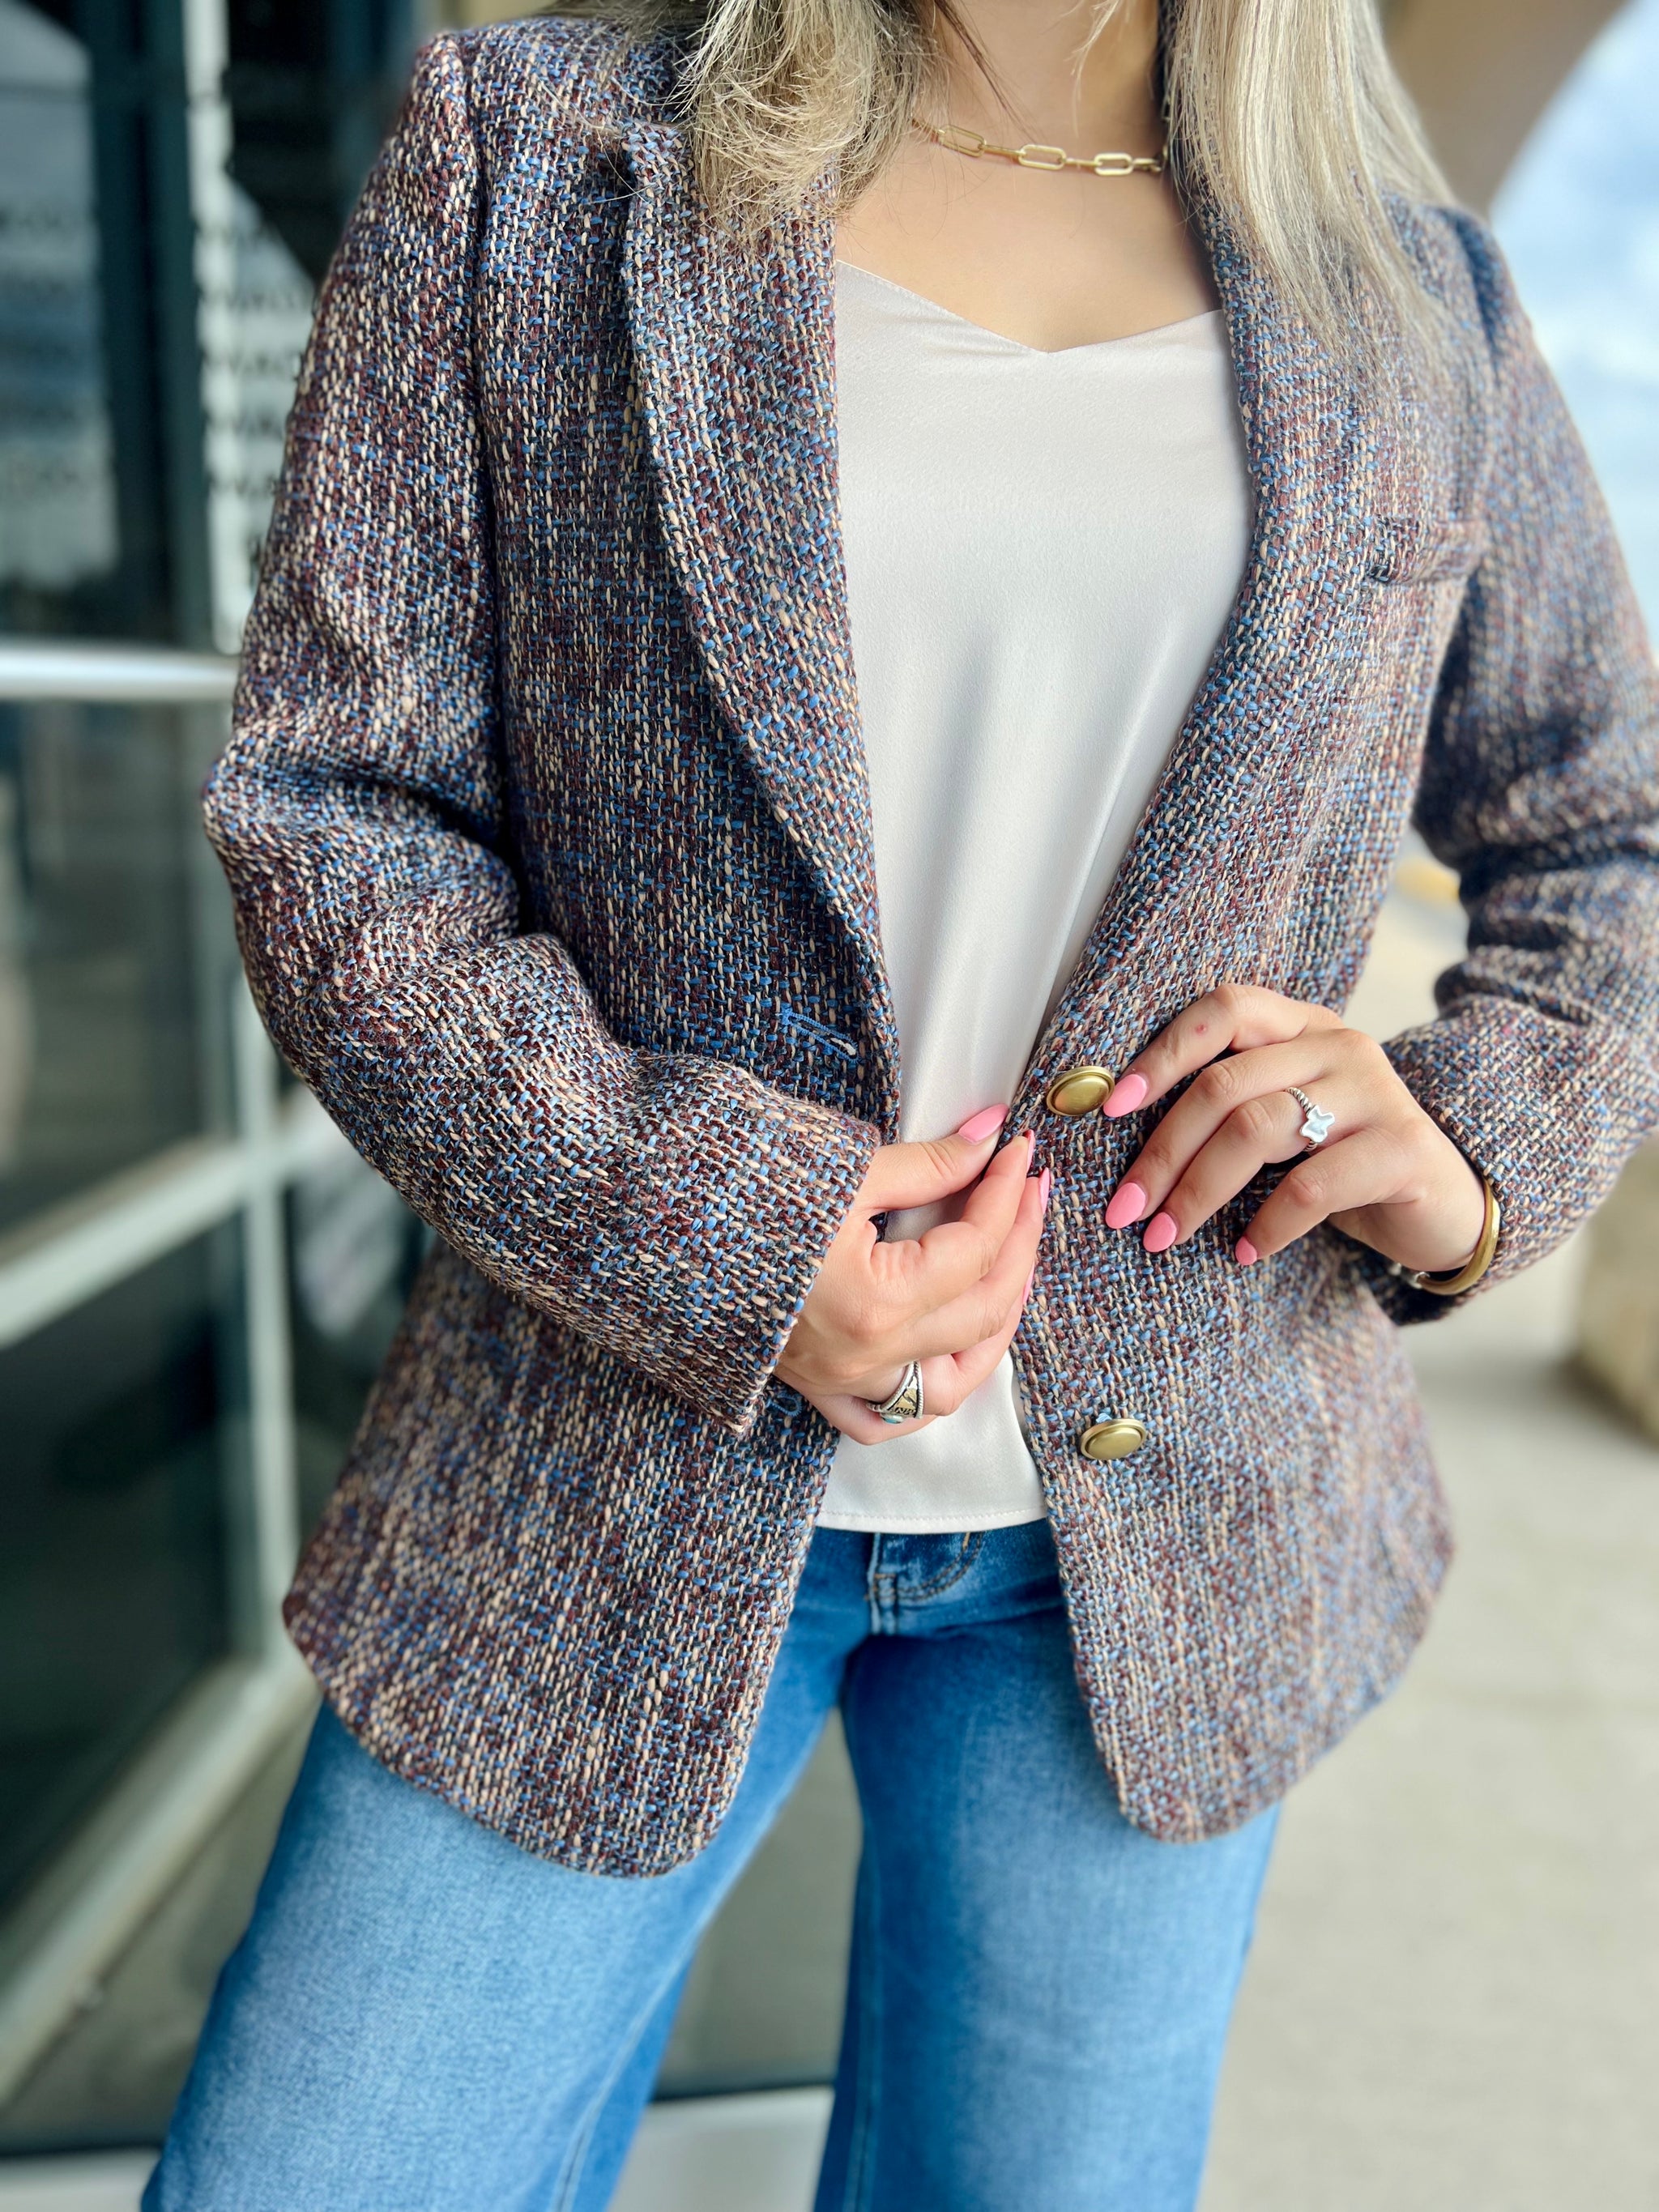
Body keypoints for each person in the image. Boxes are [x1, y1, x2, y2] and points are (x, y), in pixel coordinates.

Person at [146, 0, 1659, 2202]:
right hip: (598, 1456)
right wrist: (726, 1236)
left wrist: (1475, 1144)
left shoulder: (1411, 288)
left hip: (1169, 1499)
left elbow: (1610, 834)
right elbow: (334, 811)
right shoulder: (544, 150)